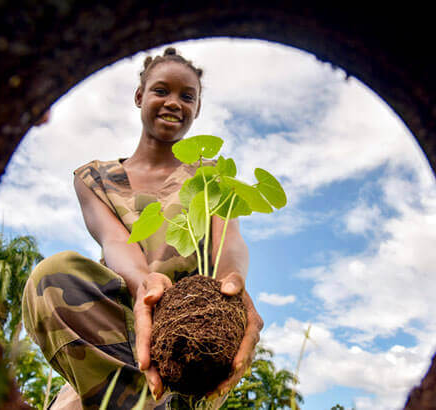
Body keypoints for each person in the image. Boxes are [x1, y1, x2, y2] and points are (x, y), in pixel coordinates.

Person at [22, 48, 263, 409]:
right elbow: (117, 241)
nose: (173, 103)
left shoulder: (210, 176)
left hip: (191, 337)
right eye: (161, 90)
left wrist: (231, 283)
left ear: (197, 109)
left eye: (187, 96)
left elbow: (228, 241)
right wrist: (144, 287)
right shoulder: (95, 178)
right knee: (51, 278)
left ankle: (153, 394)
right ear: (139, 96)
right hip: (120, 325)